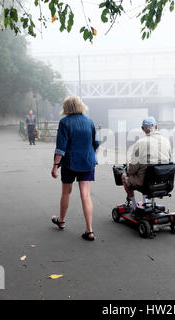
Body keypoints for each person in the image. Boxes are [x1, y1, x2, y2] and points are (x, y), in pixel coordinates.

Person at [51, 96, 99, 241]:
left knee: (66, 192)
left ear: (66, 108)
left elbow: (61, 147)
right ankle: (89, 230)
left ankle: (61, 220)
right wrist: (90, 155)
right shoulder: (89, 121)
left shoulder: (64, 122)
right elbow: (95, 143)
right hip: (87, 161)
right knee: (86, 195)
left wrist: (55, 166)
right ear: (80, 106)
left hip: (69, 163)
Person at [122, 116, 172, 212]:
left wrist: (128, 168)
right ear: (156, 127)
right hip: (164, 181)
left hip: (145, 181)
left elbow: (133, 169)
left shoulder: (140, 143)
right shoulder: (166, 141)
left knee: (125, 176)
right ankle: (144, 201)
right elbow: (169, 160)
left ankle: (135, 206)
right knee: (146, 173)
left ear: (143, 129)